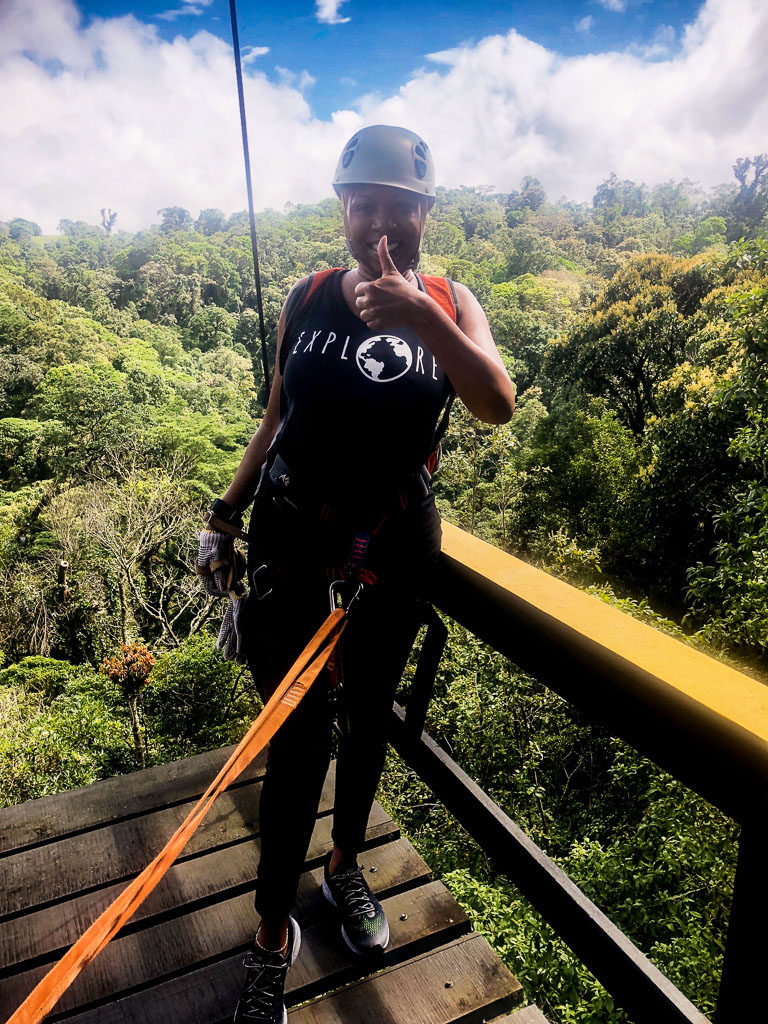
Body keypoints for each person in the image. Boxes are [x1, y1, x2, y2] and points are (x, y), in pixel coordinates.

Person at [197, 124, 515, 1024]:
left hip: (391, 548)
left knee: (368, 718)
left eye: (397, 205)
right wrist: (225, 513)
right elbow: (274, 421)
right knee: (295, 742)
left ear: (424, 212)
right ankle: (270, 933)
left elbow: (494, 402)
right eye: (362, 202)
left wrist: (422, 317)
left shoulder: (454, 300)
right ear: (343, 208)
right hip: (290, 541)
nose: (379, 220)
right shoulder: (307, 295)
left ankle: (343, 869)